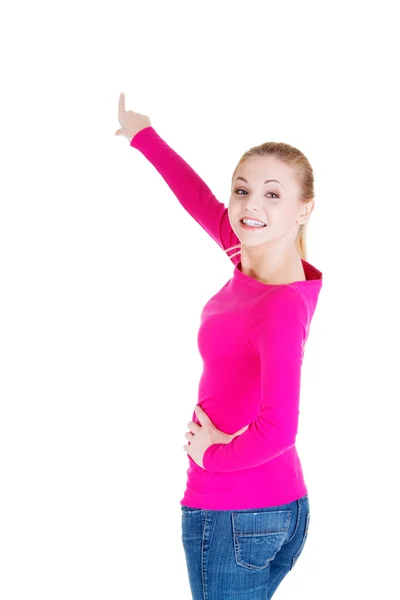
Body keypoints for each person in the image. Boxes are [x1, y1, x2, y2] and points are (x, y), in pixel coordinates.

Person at [115, 92, 323, 599]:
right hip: (268, 506)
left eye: (273, 195)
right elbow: (197, 200)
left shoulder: (278, 305)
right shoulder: (249, 257)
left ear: (304, 210)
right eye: (242, 190)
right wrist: (143, 135)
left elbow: (279, 427)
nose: (251, 205)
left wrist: (212, 459)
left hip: (235, 513)